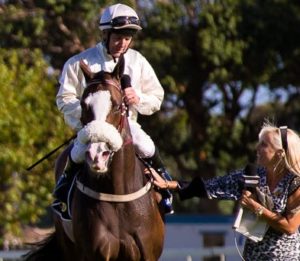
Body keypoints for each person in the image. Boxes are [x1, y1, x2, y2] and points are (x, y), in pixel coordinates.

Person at [53, 3, 173, 214]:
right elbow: (64, 99)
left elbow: (157, 97)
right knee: (78, 152)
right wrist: (90, 113)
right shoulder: (77, 63)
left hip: (126, 127)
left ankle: (165, 184)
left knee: (146, 146)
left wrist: (138, 98)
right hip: (91, 128)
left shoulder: (138, 62)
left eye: (127, 39)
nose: (122, 43)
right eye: (118, 37)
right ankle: (63, 190)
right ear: (105, 34)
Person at [152, 122, 300, 260]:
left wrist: (256, 207)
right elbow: (213, 186)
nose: (257, 148)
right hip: (253, 256)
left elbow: (290, 226)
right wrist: (168, 184)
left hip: (285, 257)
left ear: (280, 153)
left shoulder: (295, 183)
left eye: (263, 145)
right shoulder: (253, 175)